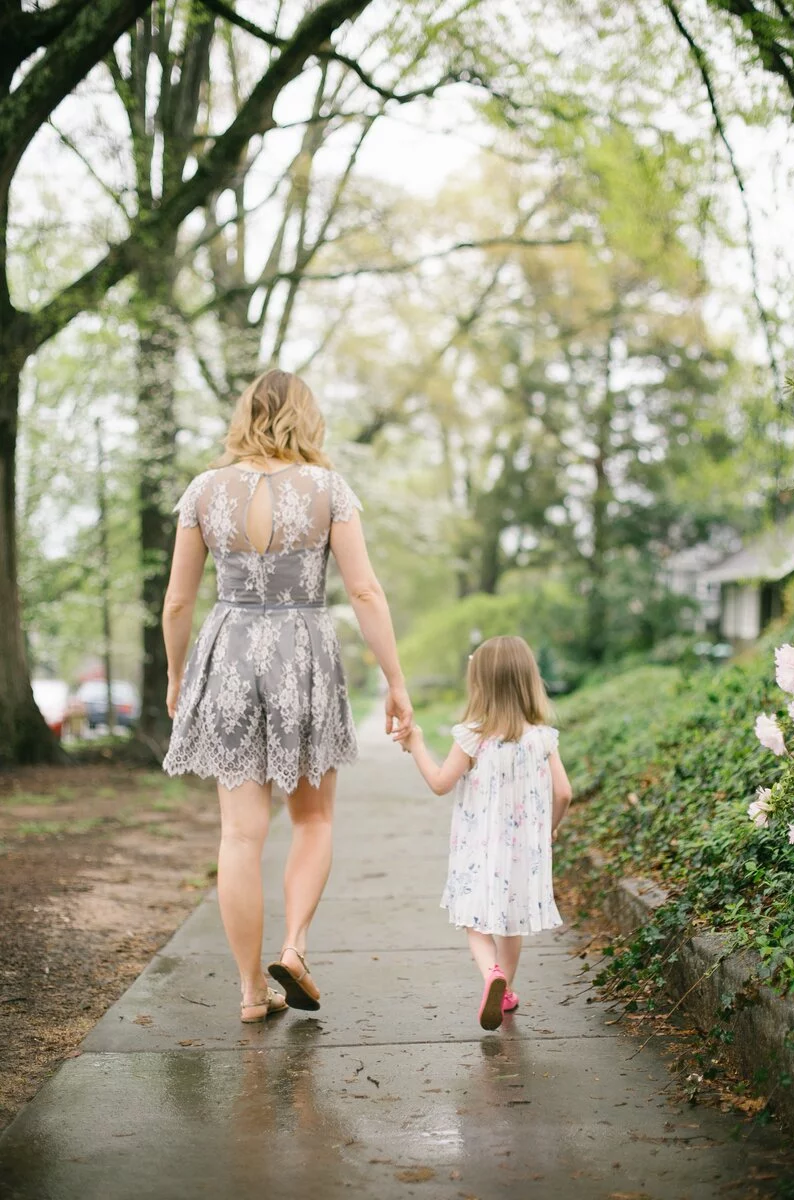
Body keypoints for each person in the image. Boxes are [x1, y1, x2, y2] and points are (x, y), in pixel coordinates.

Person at [161, 369, 413, 1022]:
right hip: (303, 655)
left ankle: (250, 992)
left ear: (246, 414)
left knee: (240, 835)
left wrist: (176, 674)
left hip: (229, 656)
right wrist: (395, 679)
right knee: (313, 819)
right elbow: (364, 592)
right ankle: (295, 948)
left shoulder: (203, 491)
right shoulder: (329, 489)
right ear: (307, 416)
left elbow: (179, 600)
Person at [397, 635, 571, 1030]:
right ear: (529, 680)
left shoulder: (473, 734)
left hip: (478, 848)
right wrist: (549, 831)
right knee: (512, 921)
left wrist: (417, 744)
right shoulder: (543, 737)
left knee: (475, 922)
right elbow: (564, 792)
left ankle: (492, 974)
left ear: (480, 684)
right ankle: (505, 989)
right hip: (524, 850)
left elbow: (441, 783)